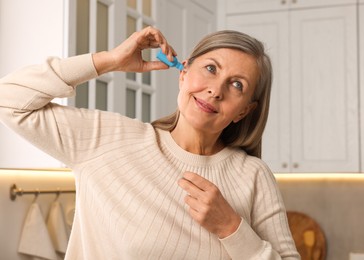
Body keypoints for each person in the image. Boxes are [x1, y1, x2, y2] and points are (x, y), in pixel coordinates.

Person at [0, 27, 299, 259]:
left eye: (237, 85)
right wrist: (109, 61)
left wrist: (231, 229)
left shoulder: (254, 176)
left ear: (245, 110)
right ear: (183, 73)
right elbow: (9, 100)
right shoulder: (106, 140)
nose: (216, 90)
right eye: (210, 68)